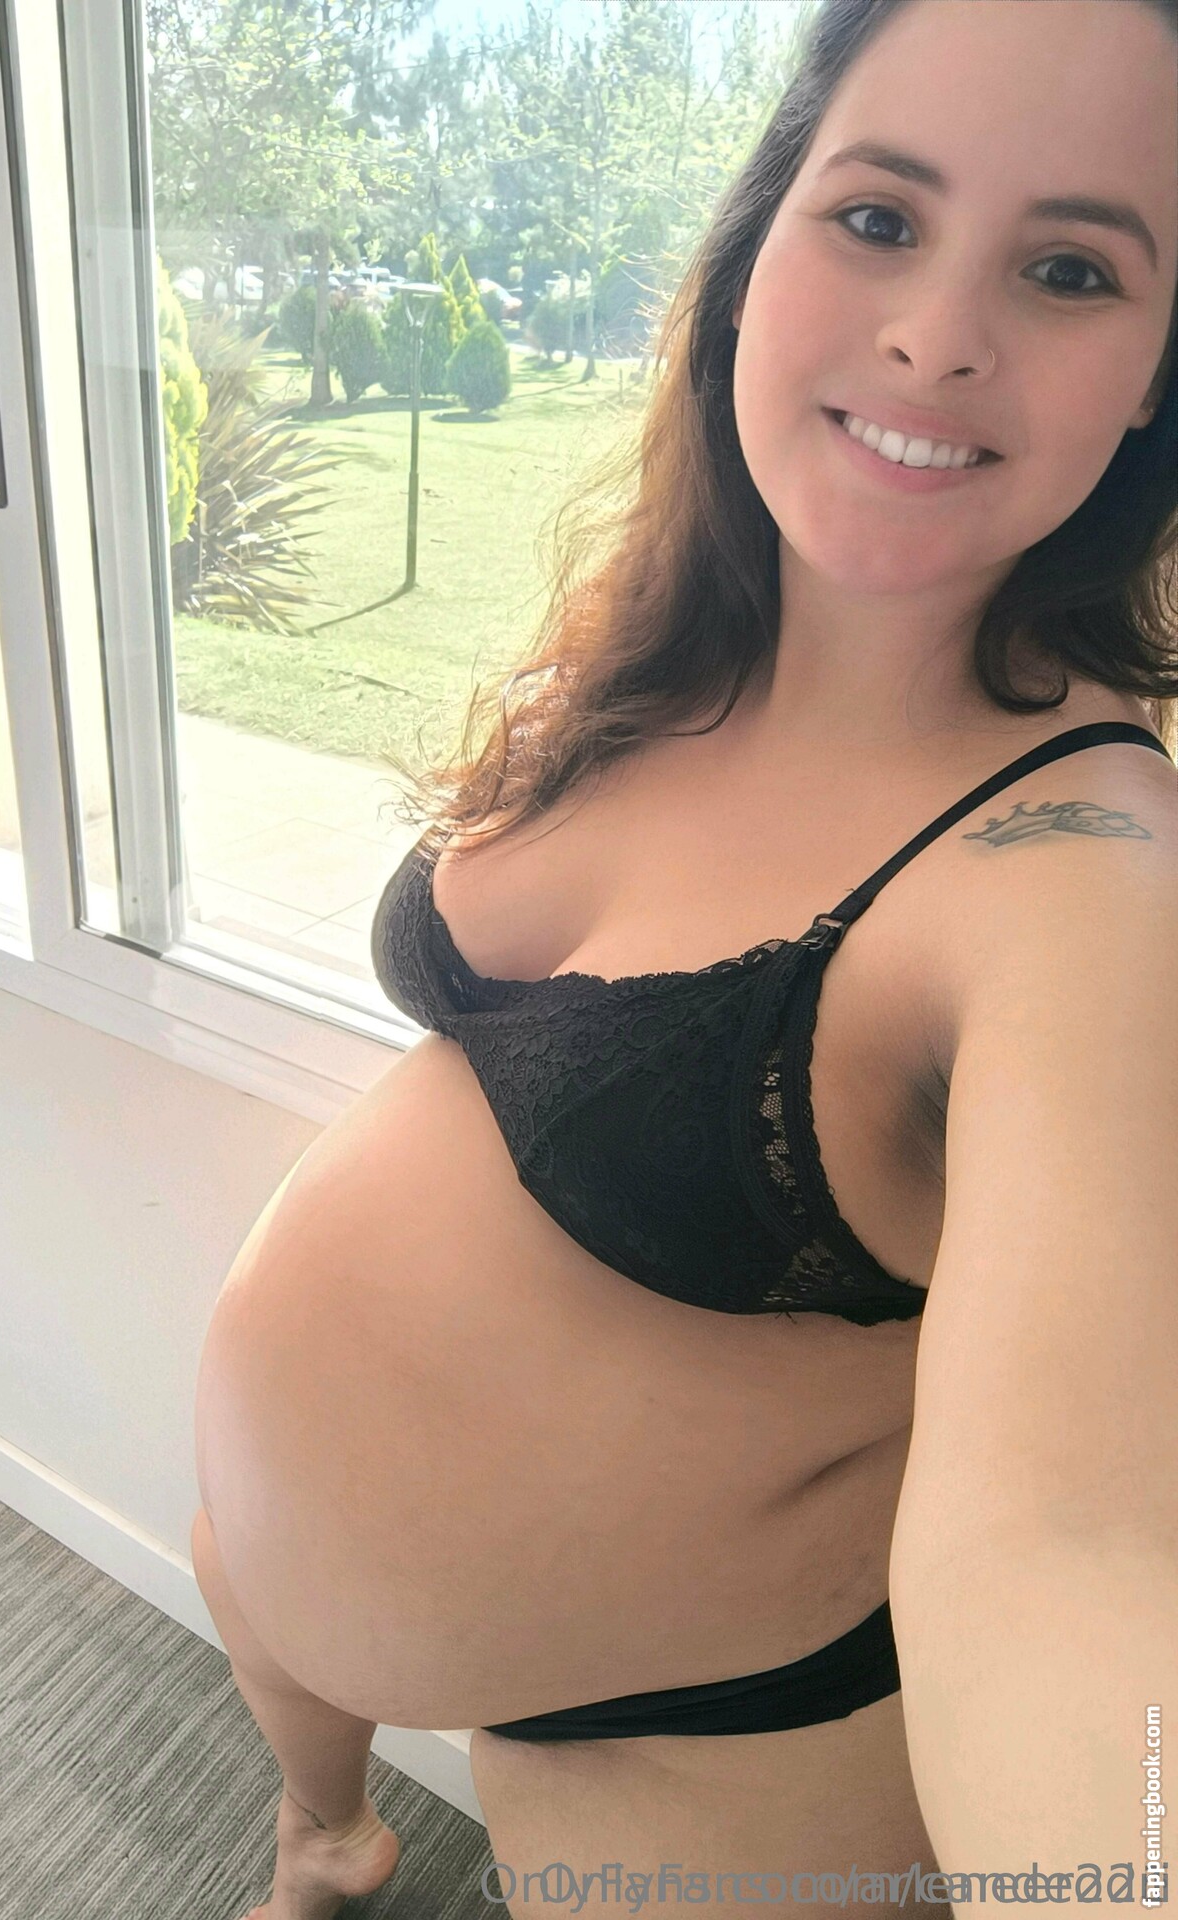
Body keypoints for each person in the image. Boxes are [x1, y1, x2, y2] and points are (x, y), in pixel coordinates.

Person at [188, 2, 1178, 1914]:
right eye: (878, 218)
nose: (937, 335)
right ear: (760, 241)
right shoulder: (675, 642)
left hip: (707, 1748)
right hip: (291, 1581)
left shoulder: (1083, 876)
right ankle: (326, 1835)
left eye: (1070, 269)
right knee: (273, 1638)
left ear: (1154, 377)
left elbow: (1075, 1554)